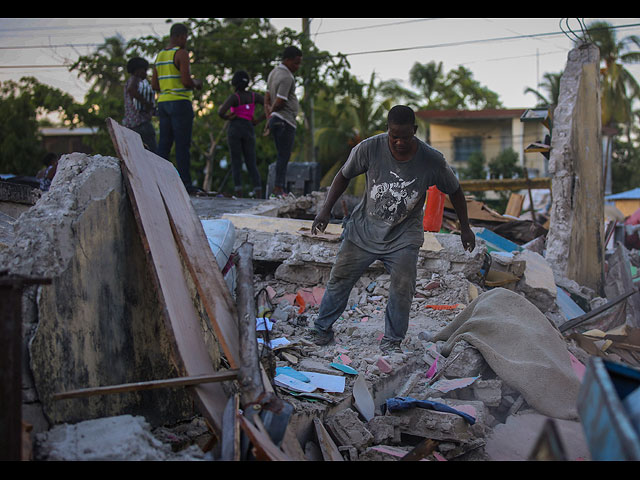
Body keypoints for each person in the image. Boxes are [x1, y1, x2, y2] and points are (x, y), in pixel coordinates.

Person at [308, 105, 476, 354]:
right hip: (363, 230)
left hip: (403, 236)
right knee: (340, 279)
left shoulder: (431, 160)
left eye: (404, 137)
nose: (398, 142)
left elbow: (455, 190)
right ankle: (321, 330)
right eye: (393, 136)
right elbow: (343, 175)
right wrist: (324, 210)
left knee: (402, 287)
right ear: (387, 130)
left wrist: (465, 228)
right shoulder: (369, 148)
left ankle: (392, 341)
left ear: (414, 132)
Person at [151, 22, 203, 194]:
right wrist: (197, 83)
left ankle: (157, 181)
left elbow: (155, 85)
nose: (186, 41)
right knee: (182, 145)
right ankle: (185, 184)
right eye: (185, 37)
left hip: (164, 102)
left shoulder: (159, 55)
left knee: (164, 144)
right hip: (180, 102)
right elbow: (186, 81)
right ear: (180, 36)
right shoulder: (181, 53)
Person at [218, 70, 266, 198]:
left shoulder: (235, 97)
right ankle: (258, 192)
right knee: (251, 161)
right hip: (248, 128)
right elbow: (268, 105)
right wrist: (258, 120)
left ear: (235, 83)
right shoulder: (254, 96)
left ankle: (238, 192)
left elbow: (221, 112)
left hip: (235, 128)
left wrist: (228, 117)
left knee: (236, 161)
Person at [264, 46, 302, 197]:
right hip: (285, 120)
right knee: (284, 156)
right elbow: (279, 101)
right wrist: (273, 114)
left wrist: (269, 117)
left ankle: (278, 188)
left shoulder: (273, 73)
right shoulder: (287, 77)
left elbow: (266, 98)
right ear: (287, 60)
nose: (297, 67)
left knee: (281, 154)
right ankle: (279, 188)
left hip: (277, 120)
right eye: (296, 63)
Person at [123, 57, 157, 153]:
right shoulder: (135, 80)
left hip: (130, 125)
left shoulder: (131, 81)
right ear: (137, 70)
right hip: (140, 123)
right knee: (153, 154)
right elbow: (131, 89)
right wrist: (146, 104)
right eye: (144, 70)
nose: (145, 74)